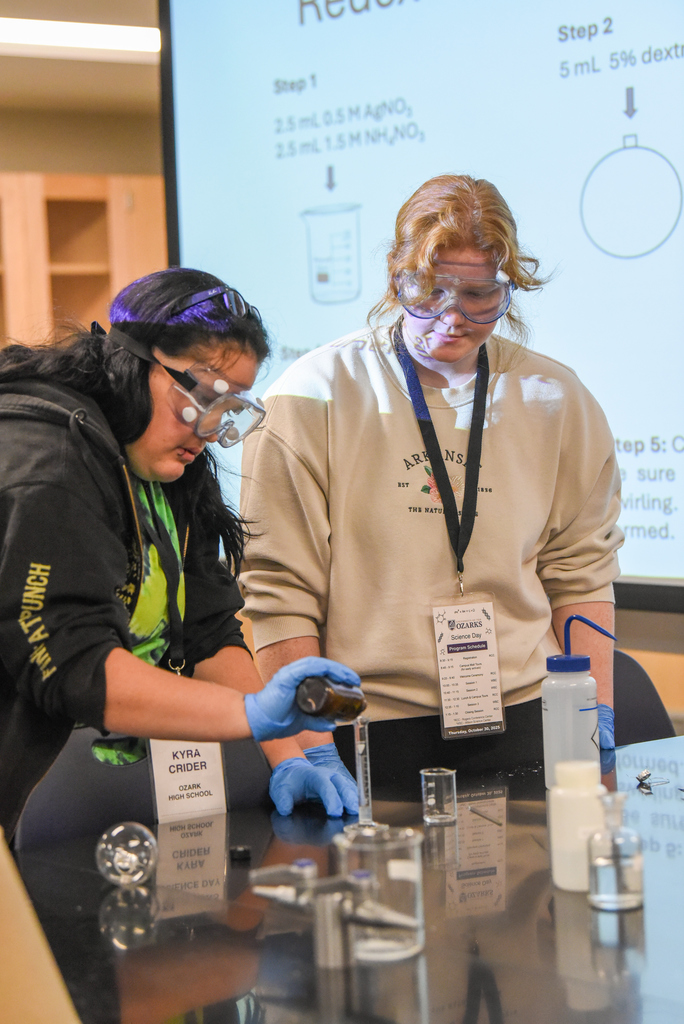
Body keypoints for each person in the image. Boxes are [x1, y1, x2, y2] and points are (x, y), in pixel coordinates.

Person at [240, 174, 623, 781]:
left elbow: (581, 571)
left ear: (508, 290)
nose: (453, 318)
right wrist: (305, 744)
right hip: (364, 732)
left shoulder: (556, 399)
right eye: (428, 290)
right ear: (396, 276)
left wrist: (593, 704)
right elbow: (278, 592)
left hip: (530, 719)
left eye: (479, 296)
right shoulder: (312, 397)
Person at [0, 267, 361, 840]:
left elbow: (209, 632)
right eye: (201, 397)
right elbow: (74, 668)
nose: (211, 429)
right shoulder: (50, 465)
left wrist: (292, 753)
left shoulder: (166, 465)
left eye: (230, 408)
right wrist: (249, 715)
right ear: (131, 362)